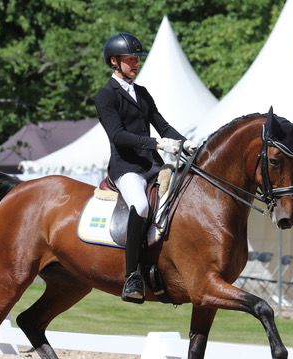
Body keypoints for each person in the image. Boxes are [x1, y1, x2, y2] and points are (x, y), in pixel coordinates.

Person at [95, 32, 197, 303]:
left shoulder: (141, 93)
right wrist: (157, 143)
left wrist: (186, 144)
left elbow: (162, 125)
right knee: (140, 206)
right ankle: (132, 277)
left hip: (152, 165)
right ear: (114, 62)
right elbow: (117, 135)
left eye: (137, 59)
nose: (136, 64)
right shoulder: (105, 96)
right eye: (130, 60)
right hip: (126, 167)